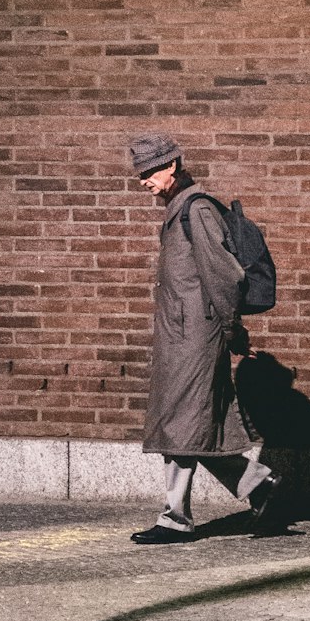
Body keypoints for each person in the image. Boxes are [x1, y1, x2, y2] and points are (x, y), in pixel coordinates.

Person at [128, 130, 288, 543]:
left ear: (172, 167)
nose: (143, 180)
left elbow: (224, 275)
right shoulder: (181, 208)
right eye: (139, 172)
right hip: (184, 336)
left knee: (181, 424)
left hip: (195, 338)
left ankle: (175, 519)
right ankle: (263, 489)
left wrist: (233, 330)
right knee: (193, 426)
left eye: (149, 171)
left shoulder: (195, 209)